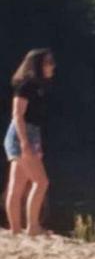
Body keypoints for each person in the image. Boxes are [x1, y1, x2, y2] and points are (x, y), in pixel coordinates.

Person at [4, 49, 55, 236]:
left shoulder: (38, 87)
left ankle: (16, 231)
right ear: (38, 64)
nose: (52, 66)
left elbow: (36, 120)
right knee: (41, 182)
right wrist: (25, 143)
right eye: (49, 62)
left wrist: (37, 144)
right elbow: (17, 115)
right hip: (20, 134)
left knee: (17, 186)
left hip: (30, 133)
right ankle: (32, 227)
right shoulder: (25, 85)